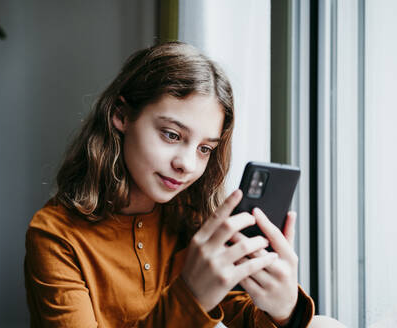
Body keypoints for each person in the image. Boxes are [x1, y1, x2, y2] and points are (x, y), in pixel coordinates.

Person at [24, 42, 317, 327]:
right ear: (121, 115)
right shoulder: (55, 235)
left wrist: (284, 311)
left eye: (205, 149)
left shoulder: (192, 220)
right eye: (172, 135)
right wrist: (191, 297)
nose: (187, 165)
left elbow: (241, 313)